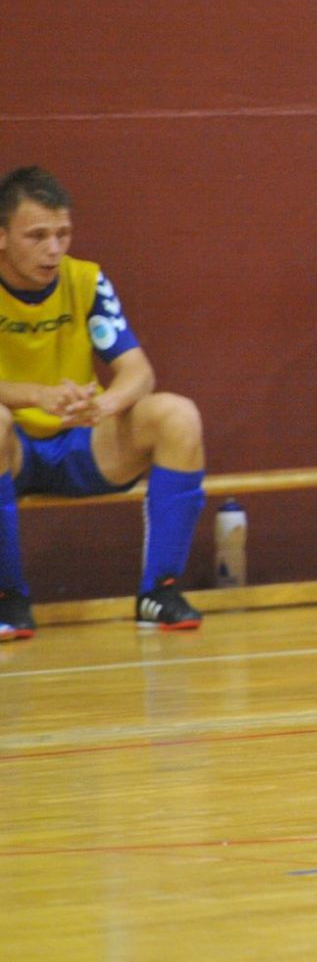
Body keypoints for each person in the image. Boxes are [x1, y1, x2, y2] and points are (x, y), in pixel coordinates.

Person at [0, 167, 205, 639]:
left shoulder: (86, 280)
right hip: (13, 447)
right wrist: (36, 395)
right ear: (3, 236)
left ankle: (160, 592)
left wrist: (107, 404)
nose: (54, 249)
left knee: (177, 414)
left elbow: (139, 371)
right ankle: (8, 598)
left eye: (63, 234)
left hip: (80, 441)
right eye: (37, 236)